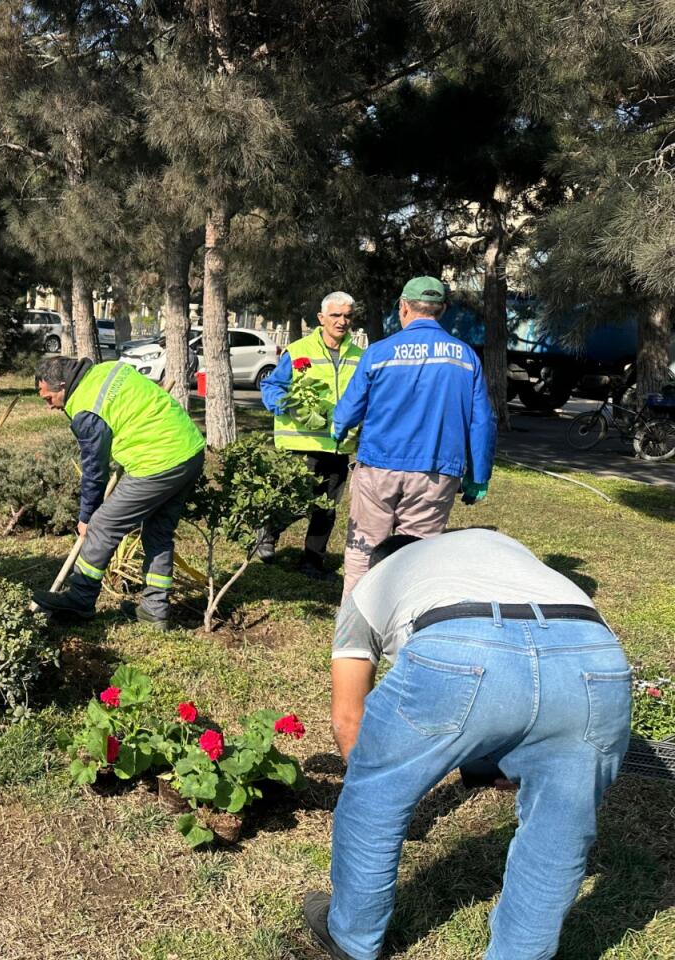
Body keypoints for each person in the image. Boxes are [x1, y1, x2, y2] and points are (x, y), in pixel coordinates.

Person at [304, 528, 632, 960]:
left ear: (379, 564)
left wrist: (377, 780)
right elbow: (532, 664)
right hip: (594, 656)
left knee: (373, 800)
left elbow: (349, 717)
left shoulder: (368, 586)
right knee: (559, 831)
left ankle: (351, 937)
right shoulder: (501, 546)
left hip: (462, 646)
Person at [332, 276, 496, 598]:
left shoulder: (378, 353)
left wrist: (338, 430)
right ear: (442, 310)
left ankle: (355, 626)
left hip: (379, 467)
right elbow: (483, 423)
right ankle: (404, 625)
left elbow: (348, 410)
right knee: (417, 555)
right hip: (436, 472)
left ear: (404, 307)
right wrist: (478, 477)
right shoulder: (465, 358)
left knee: (364, 546)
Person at [31, 356, 205, 630]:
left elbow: (94, 470)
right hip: (189, 450)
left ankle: (80, 598)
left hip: (156, 463)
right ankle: (154, 612)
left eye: (48, 398)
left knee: (102, 526)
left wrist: (87, 516)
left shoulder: (85, 409)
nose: (50, 406)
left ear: (63, 385)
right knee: (158, 533)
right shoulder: (108, 369)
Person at [257, 291, 364, 580]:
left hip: (340, 445)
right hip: (301, 443)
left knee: (326, 508)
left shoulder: (361, 357)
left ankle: (312, 563)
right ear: (321, 318)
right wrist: (287, 405)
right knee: (296, 501)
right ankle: (265, 533)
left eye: (347, 316)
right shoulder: (299, 349)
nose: (342, 322)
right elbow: (272, 387)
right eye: (335, 315)